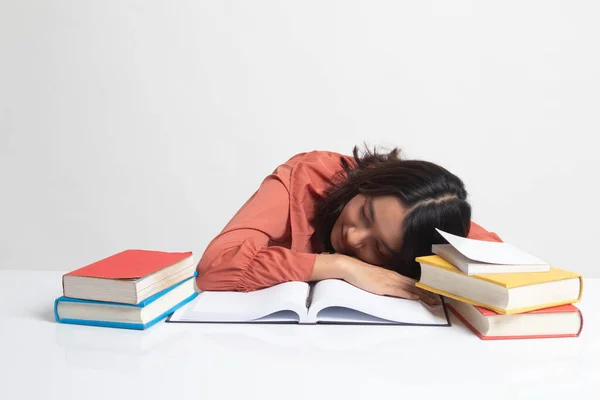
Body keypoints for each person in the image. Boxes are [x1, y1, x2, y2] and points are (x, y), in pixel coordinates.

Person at [195, 146, 502, 306]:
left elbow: (507, 269)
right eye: (365, 214)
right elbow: (215, 265)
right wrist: (342, 265)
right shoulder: (307, 177)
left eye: (379, 247)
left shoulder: (430, 219)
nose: (353, 236)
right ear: (368, 183)